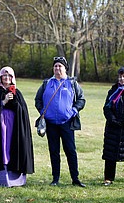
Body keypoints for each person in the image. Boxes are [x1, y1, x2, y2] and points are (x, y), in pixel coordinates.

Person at [35, 56, 86, 187]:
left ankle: (75, 178)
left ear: (65, 68)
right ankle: (55, 178)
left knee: (70, 150)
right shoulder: (47, 83)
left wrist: (73, 111)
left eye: (60, 66)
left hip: (67, 123)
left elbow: (81, 100)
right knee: (54, 151)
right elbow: (38, 100)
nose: (57, 68)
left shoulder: (72, 83)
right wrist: (42, 112)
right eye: (55, 66)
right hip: (51, 123)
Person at [102, 66, 124, 186]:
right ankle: (108, 178)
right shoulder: (113, 91)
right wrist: (112, 119)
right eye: (120, 76)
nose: (122, 79)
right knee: (110, 153)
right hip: (112, 127)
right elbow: (106, 108)